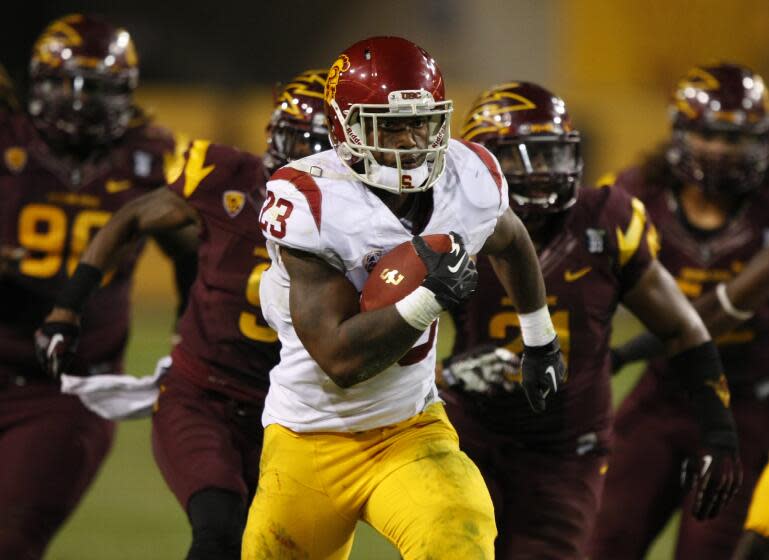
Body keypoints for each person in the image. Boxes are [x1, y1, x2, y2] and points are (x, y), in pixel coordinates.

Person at [240, 36, 566, 560]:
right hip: (309, 438)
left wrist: (540, 338)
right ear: (345, 126)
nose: (412, 139)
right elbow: (340, 359)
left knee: (460, 534)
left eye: (423, 121)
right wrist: (429, 298)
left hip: (409, 429)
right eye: (390, 124)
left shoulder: (466, 176)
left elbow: (510, 238)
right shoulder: (313, 198)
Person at [436, 81, 742, 559]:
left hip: (567, 450)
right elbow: (388, 341)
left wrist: (718, 429)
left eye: (554, 154)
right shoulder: (449, 222)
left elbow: (682, 328)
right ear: (482, 163)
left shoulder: (604, 220)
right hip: (470, 436)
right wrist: (447, 375)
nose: (544, 173)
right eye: (522, 158)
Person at [36, 69, 331, 559]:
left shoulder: (363, 216)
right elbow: (132, 216)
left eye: (319, 145)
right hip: (203, 398)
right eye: (296, 141)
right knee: (217, 530)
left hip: (292, 411)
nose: (305, 157)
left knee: (276, 548)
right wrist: (68, 308)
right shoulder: (228, 179)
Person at [0, 14, 194, 559]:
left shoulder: (152, 157)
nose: (79, 102)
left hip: (64, 387)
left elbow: (197, 255)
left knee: (12, 541)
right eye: (65, 84)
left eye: (97, 89)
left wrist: (190, 336)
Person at [590, 62, 769, 559]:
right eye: (710, 133)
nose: (724, 149)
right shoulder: (633, 194)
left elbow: (713, 320)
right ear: (681, 130)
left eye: (739, 137)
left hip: (747, 404)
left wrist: (625, 351)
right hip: (663, 392)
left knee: (709, 551)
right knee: (601, 541)